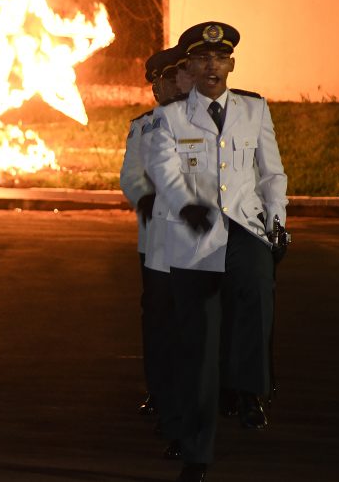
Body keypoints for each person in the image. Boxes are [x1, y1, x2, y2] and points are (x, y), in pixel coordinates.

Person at [146, 22, 287, 482]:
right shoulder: (171, 118)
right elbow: (164, 172)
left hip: (244, 227)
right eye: (203, 59)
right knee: (199, 349)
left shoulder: (254, 109)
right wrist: (185, 206)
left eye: (220, 58)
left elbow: (272, 173)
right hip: (195, 238)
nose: (212, 66)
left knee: (258, 286)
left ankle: (250, 388)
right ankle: (196, 451)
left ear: (232, 64)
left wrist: (277, 220)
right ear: (188, 67)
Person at [119, 46, 187, 457]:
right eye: (164, 80)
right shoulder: (144, 127)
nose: (172, 86)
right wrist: (155, 204)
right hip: (158, 242)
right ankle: (162, 395)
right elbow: (132, 177)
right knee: (161, 325)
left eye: (177, 76)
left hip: (202, 244)